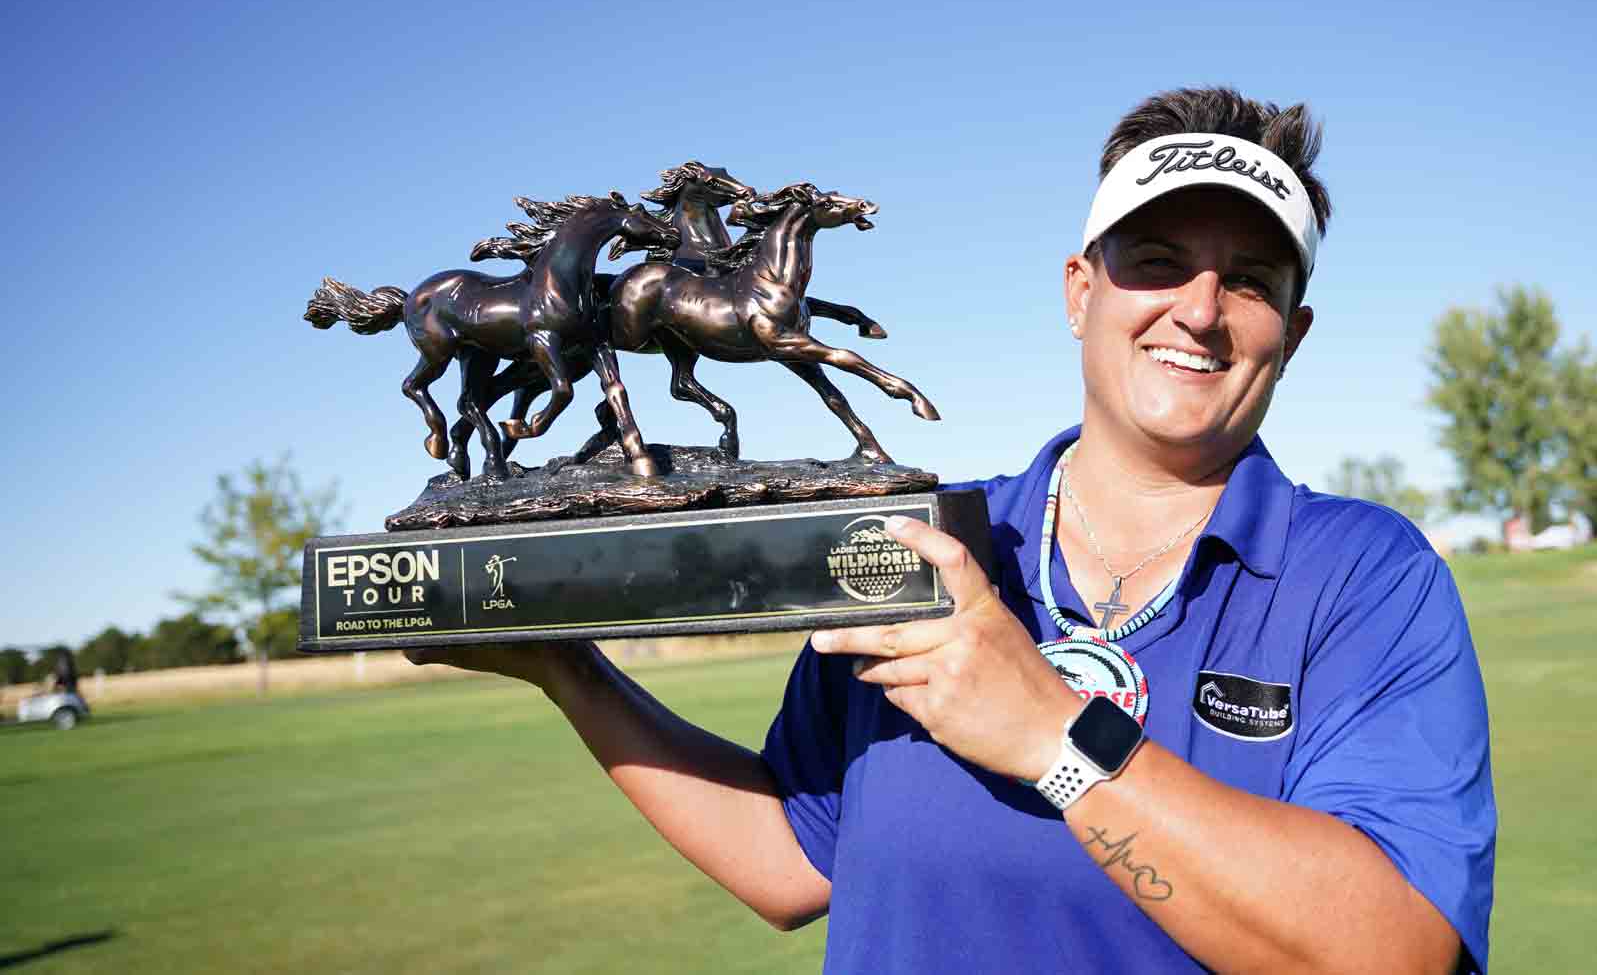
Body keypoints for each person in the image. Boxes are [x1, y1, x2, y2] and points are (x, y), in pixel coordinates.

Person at [410, 87, 1497, 974]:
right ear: (1080, 291)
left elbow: (1391, 952)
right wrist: (571, 674)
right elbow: (796, 860)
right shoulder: (924, 542)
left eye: (1248, 281)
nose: (1200, 311)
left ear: (1290, 334)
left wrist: (1052, 739)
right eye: (1156, 262)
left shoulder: (1364, 577)